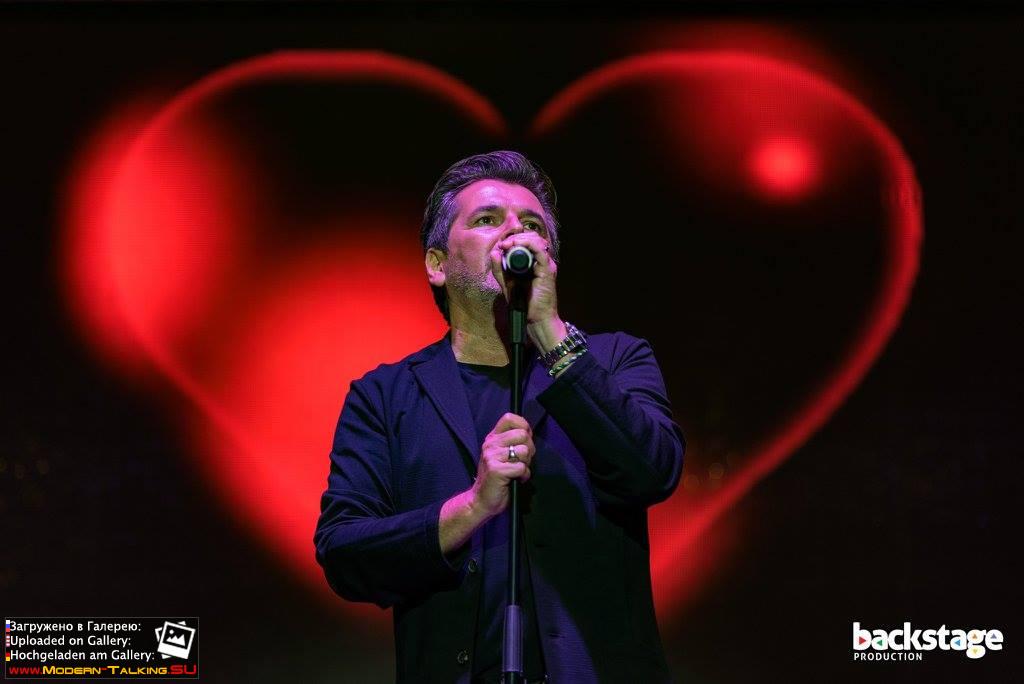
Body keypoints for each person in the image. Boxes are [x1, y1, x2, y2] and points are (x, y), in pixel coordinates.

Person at [314, 150, 685, 683]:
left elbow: (653, 471)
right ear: (437, 264)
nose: (515, 233)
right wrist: (470, 508)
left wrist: (550, 332)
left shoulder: (613, 360)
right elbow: (345, 553)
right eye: (488, 219)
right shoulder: (385, 395)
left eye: (532, 226)